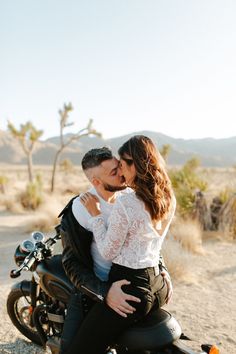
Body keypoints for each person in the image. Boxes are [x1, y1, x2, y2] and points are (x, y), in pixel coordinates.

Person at [59, 146, 172, 353]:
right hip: (95, 288)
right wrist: (104, 292)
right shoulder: (80, 208)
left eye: (120, 166)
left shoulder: (131, 196)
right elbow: (71, 262)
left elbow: (148, 238)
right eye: (114, 172)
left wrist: (161, 267)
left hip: (134, 284)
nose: (122, 173)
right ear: (96, 182)